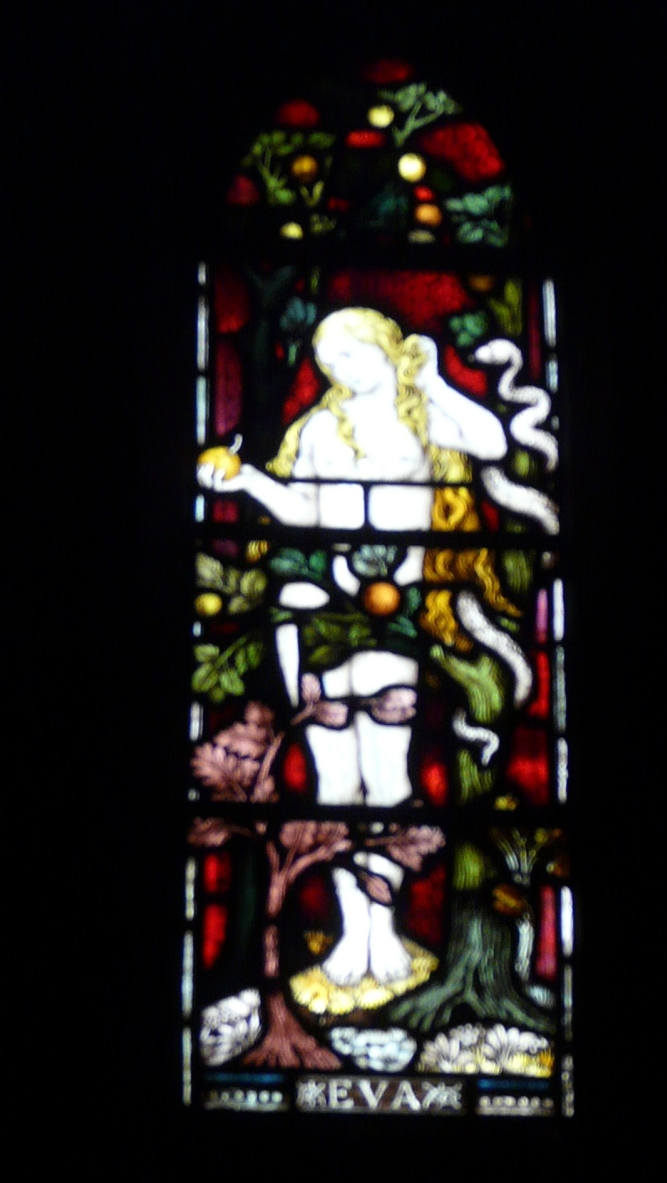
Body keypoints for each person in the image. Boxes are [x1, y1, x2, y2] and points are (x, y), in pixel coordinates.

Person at [198, 307, 512, 987]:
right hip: (322, 603)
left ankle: (386, 929)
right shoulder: (318, 427)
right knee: (334, 780)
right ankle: (351, 933)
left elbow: (491, 443)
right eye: (328, 361)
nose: (339, 370)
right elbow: (304, 512)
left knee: (388, 774)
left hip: (393, 610)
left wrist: (436, 383)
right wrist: (247, 482)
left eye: (351, 354)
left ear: (387, 348)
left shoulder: (423, 418)